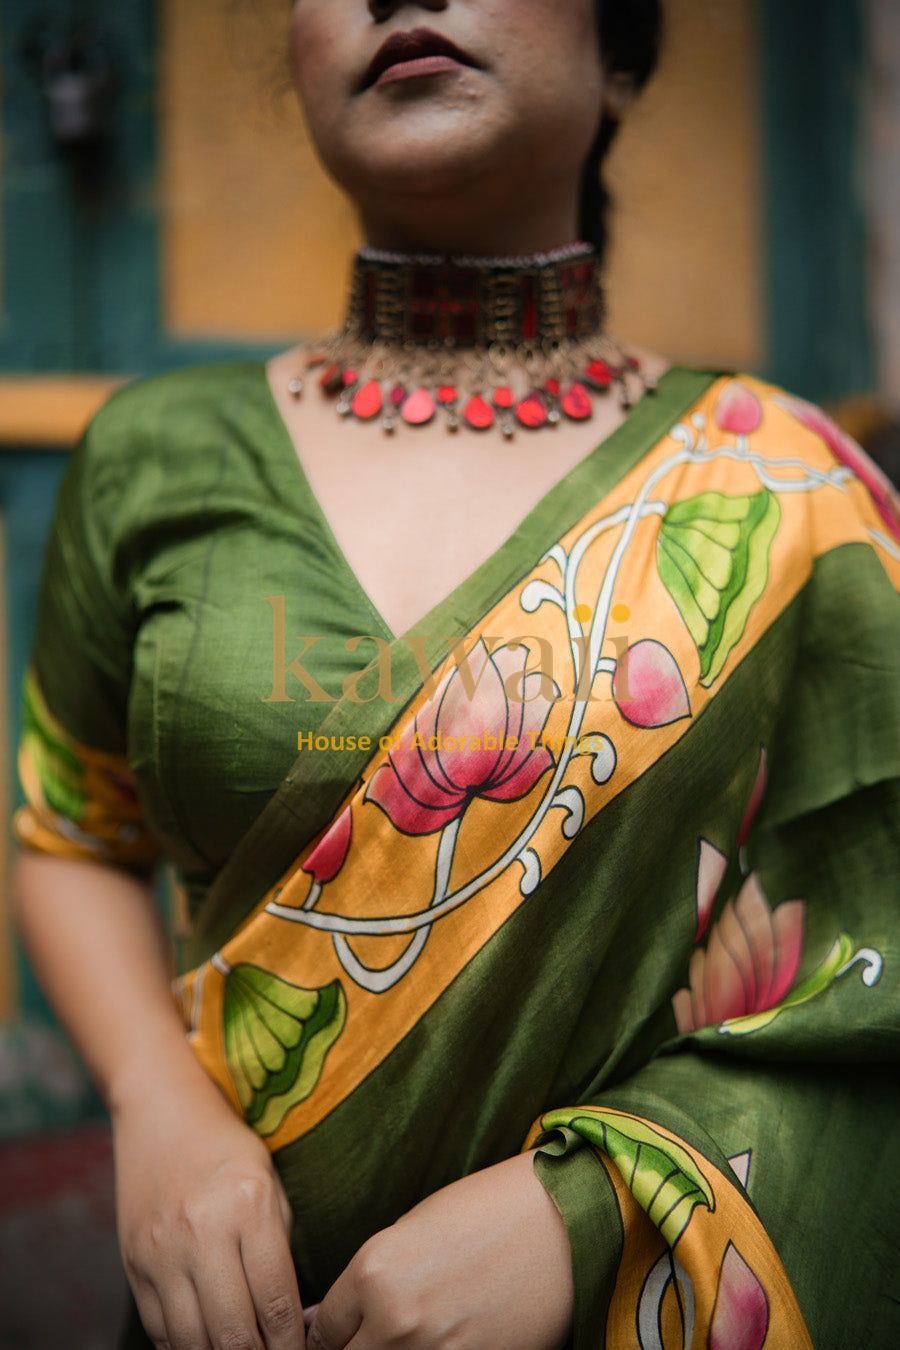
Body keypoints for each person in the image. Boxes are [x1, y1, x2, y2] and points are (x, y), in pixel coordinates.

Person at [8, 2, 900, 1347]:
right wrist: (157, 1102)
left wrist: (583, 1212)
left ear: (618, 57)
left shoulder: (784, 488)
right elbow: (72, 832)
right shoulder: (152, 454)